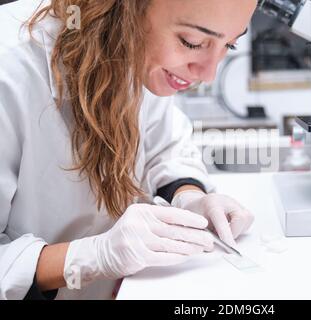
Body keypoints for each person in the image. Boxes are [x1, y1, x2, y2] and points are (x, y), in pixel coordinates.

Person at [0, 0, 257, 300]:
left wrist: (190, 197)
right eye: (193, 42)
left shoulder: (137, 53)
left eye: (230, 45)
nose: (208, 73)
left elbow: (166, 148)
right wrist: (90, 258)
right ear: (127, 8)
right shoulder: (10, 67)